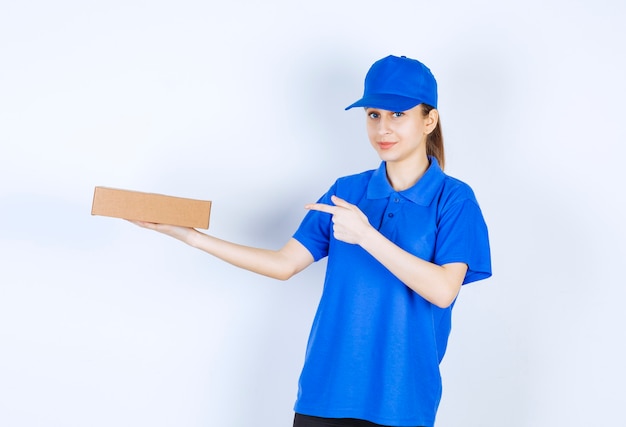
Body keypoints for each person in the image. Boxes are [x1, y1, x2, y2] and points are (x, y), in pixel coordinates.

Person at [132, 54, 492, 427]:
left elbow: (444, 290)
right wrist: (192, 238)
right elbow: (284, 263)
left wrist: (366, 235)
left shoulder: (454, 199)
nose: (383, 128)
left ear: (428, 120)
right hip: (326, 393)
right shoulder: (347, 191)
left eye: (397, 114)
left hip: (401, 400)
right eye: (373, 114)